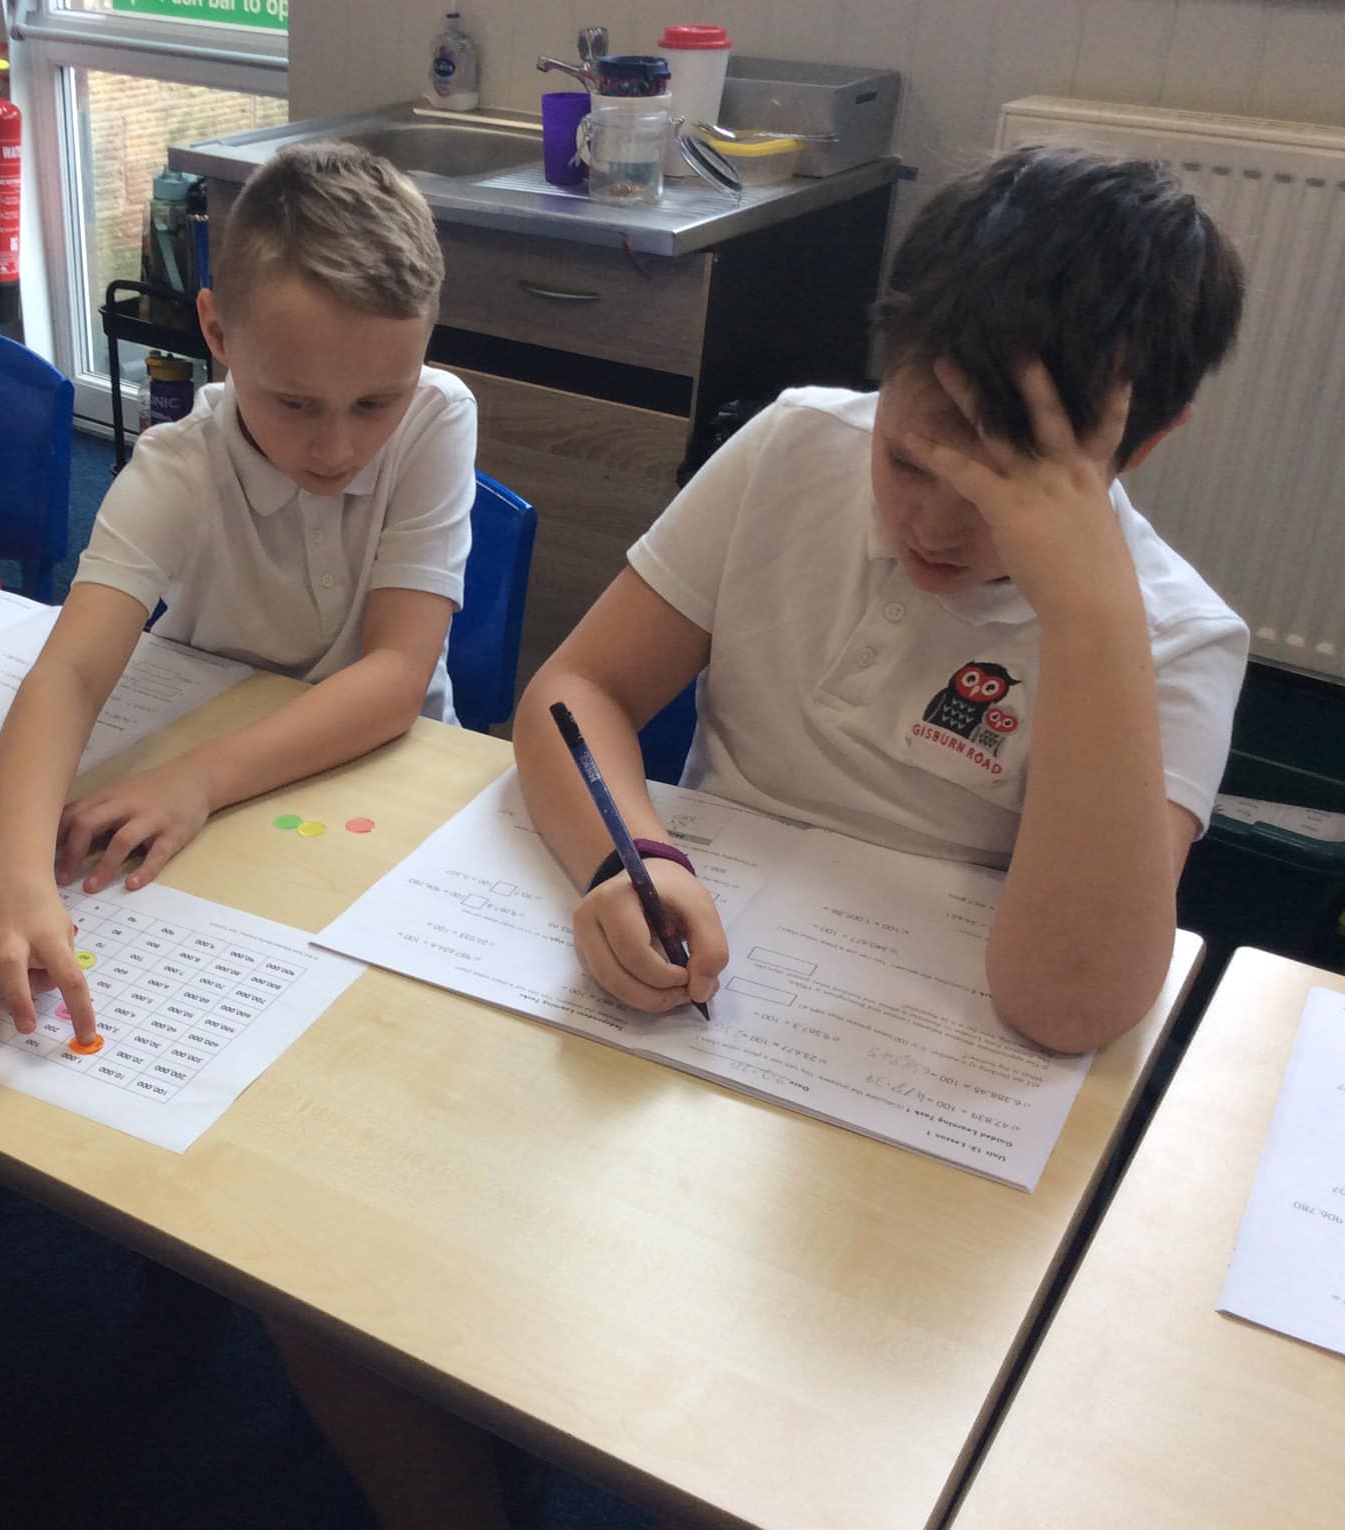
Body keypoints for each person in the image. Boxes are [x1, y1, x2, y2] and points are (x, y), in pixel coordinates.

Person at [515, 145, 1248, 1059]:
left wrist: (1088, 615)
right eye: (904, 460)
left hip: (931, 1049)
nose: (930, 528)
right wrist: (631, 860)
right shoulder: (794, 445)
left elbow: (1067, 1009)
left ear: (1142, 445)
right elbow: (577, 689)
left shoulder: (1178, 638)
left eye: (999, 500)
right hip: (714, 975)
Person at [0, 141, 475, 1043]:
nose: (338, 449)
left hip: (383, 783)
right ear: (218, 333)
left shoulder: (438, 416)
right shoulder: (178, 467)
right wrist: (11, 875)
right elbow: (68, 673)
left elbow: (395, 677)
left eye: (374, 403)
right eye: (295, 403)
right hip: (226, 791)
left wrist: (197, 780)